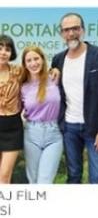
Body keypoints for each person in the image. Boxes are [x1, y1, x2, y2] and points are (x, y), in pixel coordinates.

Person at [52, 12, 98, 184]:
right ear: (61, 34)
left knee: (96, 178)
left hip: (96, 129)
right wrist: (61, 124)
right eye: (66, 30)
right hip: (69, 128)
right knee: (73, 176)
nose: (71, 33)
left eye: (75, 28)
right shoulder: (57, 59)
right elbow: (55, 94)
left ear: (83, 30)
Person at [20, 46, 64, 184]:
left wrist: (56, 70)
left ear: (43, 59)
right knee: (33, 180)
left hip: (54, 134)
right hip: (32, 134)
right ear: (25, 64)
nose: (33, 63)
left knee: (44, 181)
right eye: (29, 60)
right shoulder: (23, 86)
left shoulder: (55, 78)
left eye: (36, 58)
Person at [0, 35, 23, 184]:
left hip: (12, 128)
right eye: (0, 48)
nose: (3, 52)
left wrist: (54, 71)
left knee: (4, 176)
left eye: (7, 49)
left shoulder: (19, 72)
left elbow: (40, 75)